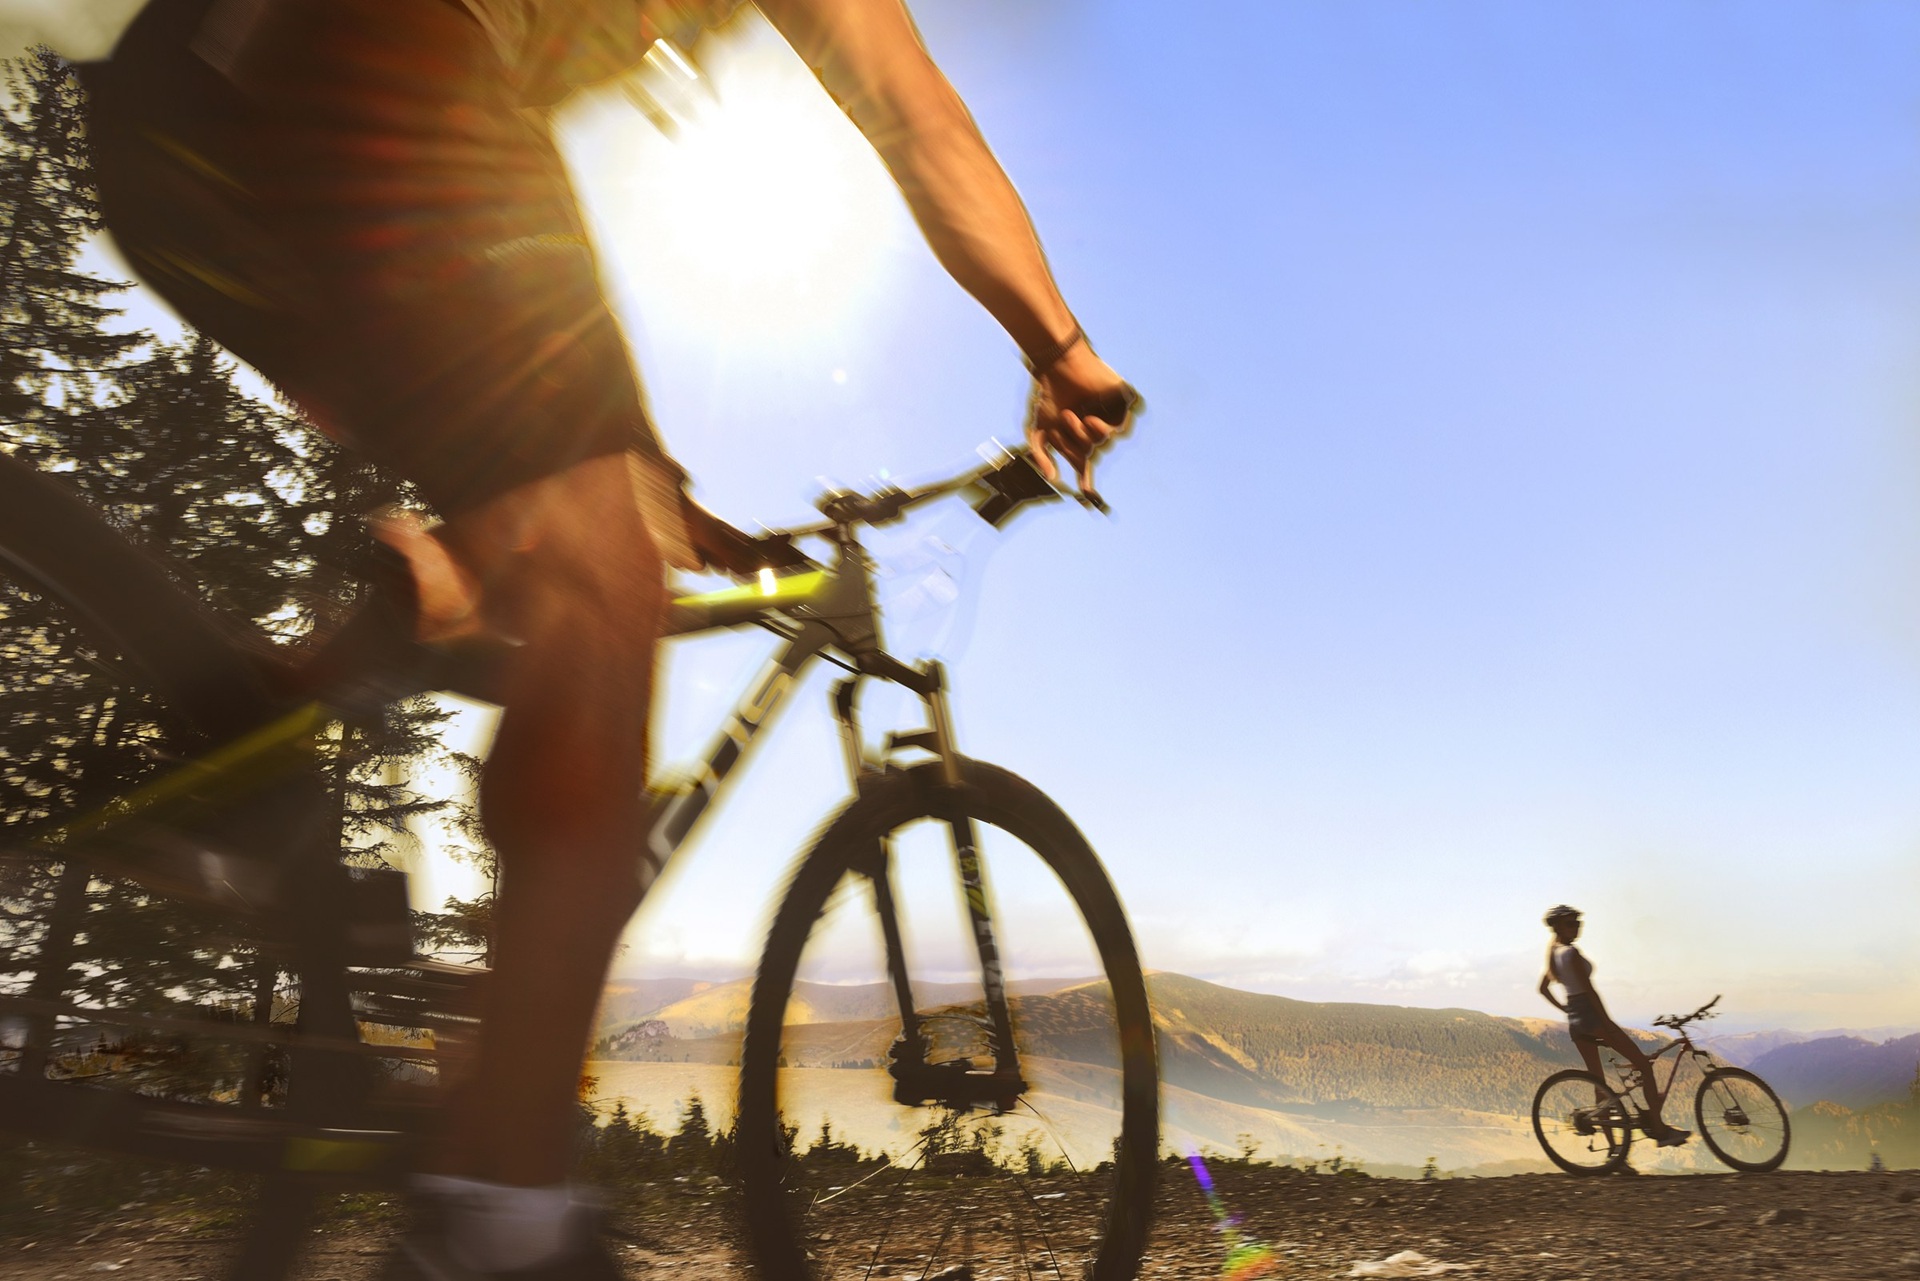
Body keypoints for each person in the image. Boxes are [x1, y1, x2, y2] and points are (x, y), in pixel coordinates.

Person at [74, 2, 1137, 1277]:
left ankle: (240, 769)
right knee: (599, 579)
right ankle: (498, 1224)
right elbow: (917, 118)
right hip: (353, 60)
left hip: (188, 133)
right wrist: (1060, 353)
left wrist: (645, 483)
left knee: (518, 553)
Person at [1537, 904, 1690, 1147]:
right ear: (1558, 927)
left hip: (1576, 1022)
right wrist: (1607, 1023)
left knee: (1599, 1084)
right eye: (1571, 923)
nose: (1576, 927)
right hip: (1590, 1016)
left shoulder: (1554, 954)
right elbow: (1589, 991)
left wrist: (1566, 1009)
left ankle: (1613, 1151)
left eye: (1578, 922)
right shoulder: (1571, 953)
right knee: (1643, 1066)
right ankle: (1660, 1131)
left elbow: (1543, 989)